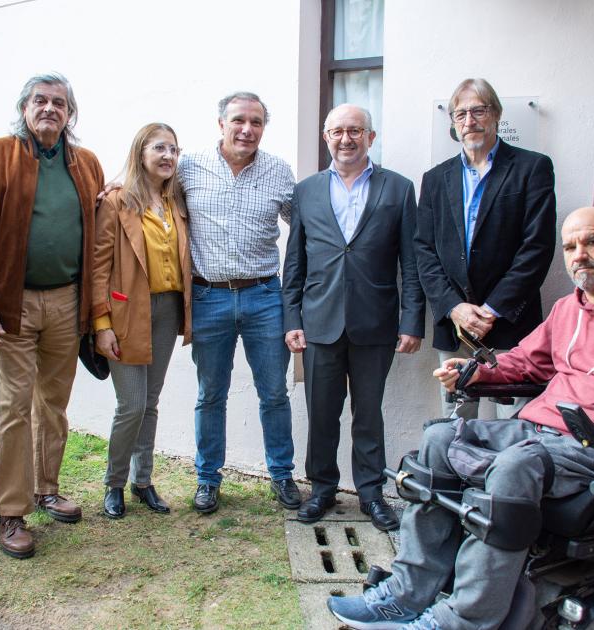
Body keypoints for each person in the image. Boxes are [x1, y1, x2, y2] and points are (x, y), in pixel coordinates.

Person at [328, 206, 594, 629]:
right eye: (570, 246)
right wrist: (474, 373)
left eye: (592, 241)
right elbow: (524, 362)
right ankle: (406, 593)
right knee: (439, 441)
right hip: (540, 430)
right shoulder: (568, 308)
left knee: (515, 467)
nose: (579, 254)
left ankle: (464, 619)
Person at [0, 73, 104, 559]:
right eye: (40, 101)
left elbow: (100, 226)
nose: (49, 109)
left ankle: (47, 488)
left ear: (70, 113)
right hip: (10, 302)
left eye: (59, 103)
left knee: (53, 403)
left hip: (67, 300)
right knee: (13, 405)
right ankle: (11, 511)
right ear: (23, 107)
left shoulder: (86, 163)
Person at [282, 104, 424, 531]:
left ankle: (370, 493)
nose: (346, 139)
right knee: (321, 412)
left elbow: (411, 262)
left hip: (375, 321)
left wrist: (411, 320)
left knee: (369, 413)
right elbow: (295, 262)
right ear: (326, 137)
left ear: (370, 137)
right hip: (319, 322)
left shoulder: (398, 189)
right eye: (338, 131)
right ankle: (322, 489)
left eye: (355, 131)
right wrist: (292, 318)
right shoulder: (305, 191)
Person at [178, 91, 300, 514]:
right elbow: (148, 188)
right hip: (208, 296)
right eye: (239, 121)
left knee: (274, 394)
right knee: (211, 394)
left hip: (265, 296)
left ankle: (282, 475)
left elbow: (306, 228)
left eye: (256, 122)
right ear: (221, 124)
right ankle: (208, 478)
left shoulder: (279, 172)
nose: (247, 129)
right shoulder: (188, 167)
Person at [416, 78, 556, 420]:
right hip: (455, 324)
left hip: (510, 320)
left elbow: (536, 247)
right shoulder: (436, 178)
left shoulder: (531, 168)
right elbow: (424, 249)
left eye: (479, 110)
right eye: (460, 113)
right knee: (456, 420)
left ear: (496, 114)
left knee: (514, 420)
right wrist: (455, 308)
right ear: (452, 122)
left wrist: (492, 309)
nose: (469, 121)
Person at [91, 123, 193, 519]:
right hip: (126, 311)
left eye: (174, 148)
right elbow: (98, 268)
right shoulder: (116, 201)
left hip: (168, 310)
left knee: (150, 402)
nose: (168, 156)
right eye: (159, 148)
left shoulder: (176, 201)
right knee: (130, 404)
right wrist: (101, 325)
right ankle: (114, 483)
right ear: (140, 153)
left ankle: (143, 481)